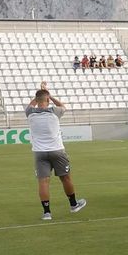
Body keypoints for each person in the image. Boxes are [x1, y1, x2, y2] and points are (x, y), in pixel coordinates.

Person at [25, 83, 85, 220]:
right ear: (47, 100)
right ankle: (73, 205)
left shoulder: (30, 113)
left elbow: (31, 104)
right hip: (57, 150)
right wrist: (50, 95)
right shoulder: (54, 112)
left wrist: (40, 95)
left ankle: (47, 213)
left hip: (39, 153)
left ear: (36, 100)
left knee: (43, 182)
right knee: (65, 178)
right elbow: (63, 106)